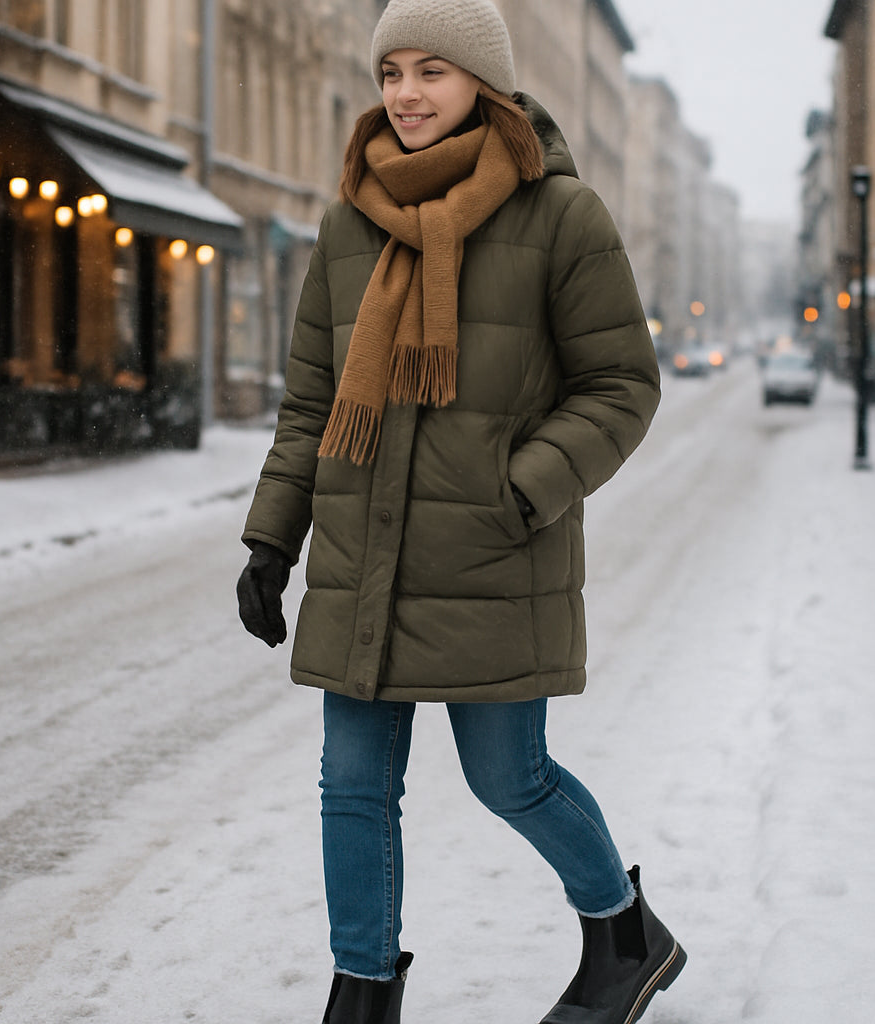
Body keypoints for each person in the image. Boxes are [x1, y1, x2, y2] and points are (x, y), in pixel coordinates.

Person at [236, 1, 685, 1020]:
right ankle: (360, 989)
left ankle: (625, 935)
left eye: (430, 70)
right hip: (361, 554)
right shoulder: (349, 218)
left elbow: (621, 384)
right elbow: (311, 400)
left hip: (491, 551)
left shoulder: (559, 214)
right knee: (350, 785)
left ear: (484, 81)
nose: (404, 93)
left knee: (509, 779)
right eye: (390, 70)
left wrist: (519, 487)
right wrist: (272, 535)